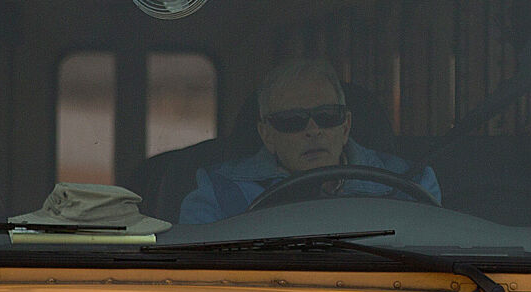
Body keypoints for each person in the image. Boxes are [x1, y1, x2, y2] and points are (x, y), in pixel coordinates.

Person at [179, 59, 440, 224]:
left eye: (327, 117)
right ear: (267, 135)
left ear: (346, 126)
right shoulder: (218, 193)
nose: (313, 130)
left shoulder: (412, 184)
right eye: (293, 120)